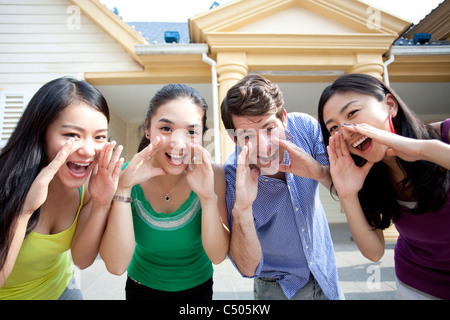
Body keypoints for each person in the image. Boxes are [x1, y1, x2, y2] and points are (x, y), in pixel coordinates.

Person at [317, 73, 450, 300]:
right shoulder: (368, 176)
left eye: (352, 113)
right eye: (334, 128)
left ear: (390, 105)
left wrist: (419, 149)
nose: (346, 131)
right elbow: (374, 252)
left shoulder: (444, 134)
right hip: (419, 286)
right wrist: (348, 195)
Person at [99, 84, 229, 300]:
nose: (178, 143)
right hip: (141, 286)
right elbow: (116, 265)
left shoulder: (212, 175)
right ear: (148, 128)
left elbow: (217, 256)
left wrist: (207, 198)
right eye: (166, 128)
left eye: (191, 132)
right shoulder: (123, 176)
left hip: (198, 288)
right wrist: (123, 189)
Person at [0, 77, 124, 299]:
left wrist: (101, 202)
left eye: (99, 137)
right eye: (72, 135)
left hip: (61, 290)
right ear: (41, 133)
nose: (88, 150)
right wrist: (24, 211)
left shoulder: (87, 188)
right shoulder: (3, 180)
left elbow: (82, 260)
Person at [220, 74, 342, 300]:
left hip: (327, 275)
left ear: (283, 119)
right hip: (277, 288)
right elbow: (247, 268)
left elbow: (346, 192)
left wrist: (319, 172)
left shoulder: (304, 128)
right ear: (234, 138)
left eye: (269, 129)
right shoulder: (231, 177)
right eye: (248, 136)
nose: (265, 148)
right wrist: (243, 209)